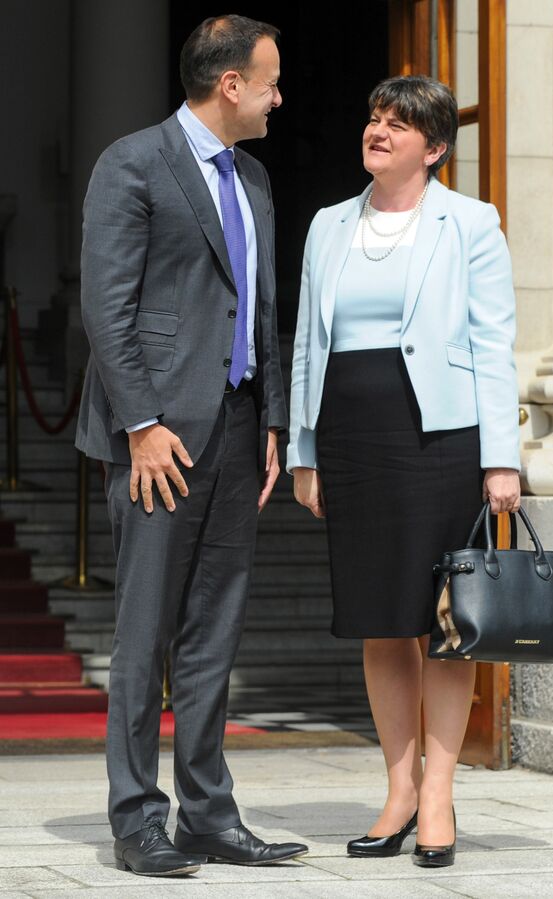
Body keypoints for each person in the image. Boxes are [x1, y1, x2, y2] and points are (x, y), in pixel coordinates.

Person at [76, 15, 307, 877]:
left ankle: (208, 813)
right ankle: (137, 818)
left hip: (241, 430)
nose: (281, 97)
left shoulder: (254, 177)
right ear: (230, 84)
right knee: (145, 633)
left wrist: (274, 417)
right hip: (159, 439)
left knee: (215, 631)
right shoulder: (131, 163)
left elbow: (264, 306)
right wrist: (140, 424)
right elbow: (109, 307)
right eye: (271, 80)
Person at [287, 75, 521, 868]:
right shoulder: (327, 225)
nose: (378, 130)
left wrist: (502, 462)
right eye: (373, 116)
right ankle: (397, 789)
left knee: (443, 625)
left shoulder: (472, 223)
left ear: (435, 147)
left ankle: (440, 794)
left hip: (440, 439)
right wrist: (304, 450)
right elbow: (304, 345)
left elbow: (494, 344)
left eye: (399, 123)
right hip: (352, 436)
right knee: (382, 619)